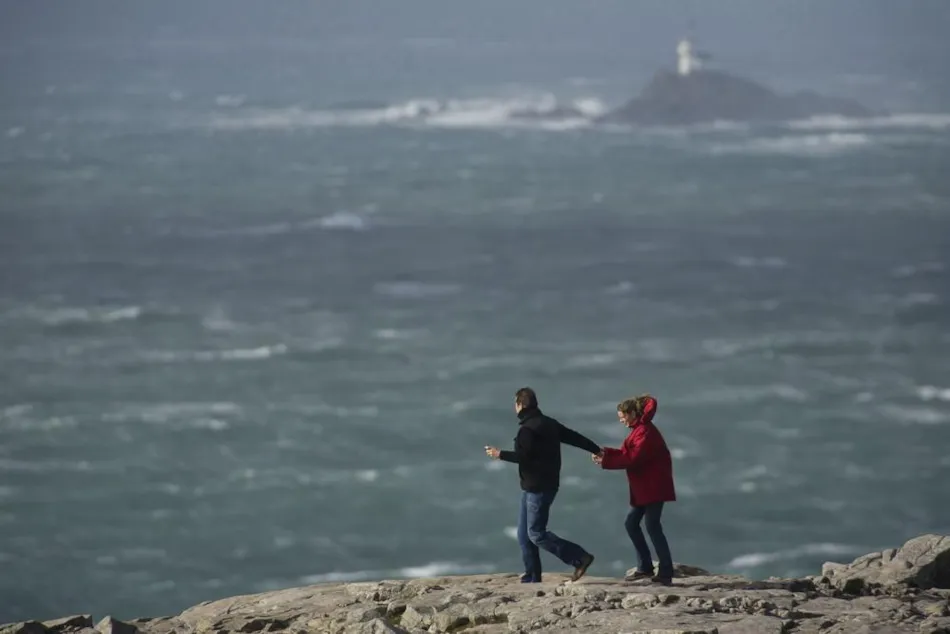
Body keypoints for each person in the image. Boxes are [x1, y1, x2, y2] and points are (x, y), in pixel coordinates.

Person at [485, 387, 600, 583]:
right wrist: (596, 448)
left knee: (536, 534)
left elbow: (524, 458)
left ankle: (579, 557)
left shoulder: (527, 430)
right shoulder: (548, 423)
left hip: (538, 487)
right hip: (539, 485)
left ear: (520, 405)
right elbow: (573, 437)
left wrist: (499, 454)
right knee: (524, 535)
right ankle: (532, 575)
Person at [593, 394, 676, 585]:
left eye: (622, 416)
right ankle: (645, 567)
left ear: (632, 413)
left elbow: (633, 458)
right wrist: (604, 453)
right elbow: (626, 453)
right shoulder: (639, 429)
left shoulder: (645, 432)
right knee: (632, 523)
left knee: (652, 526)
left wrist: (605, 460)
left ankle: (665, 571)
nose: (620, 420)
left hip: (654, 487)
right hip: (646, 488)